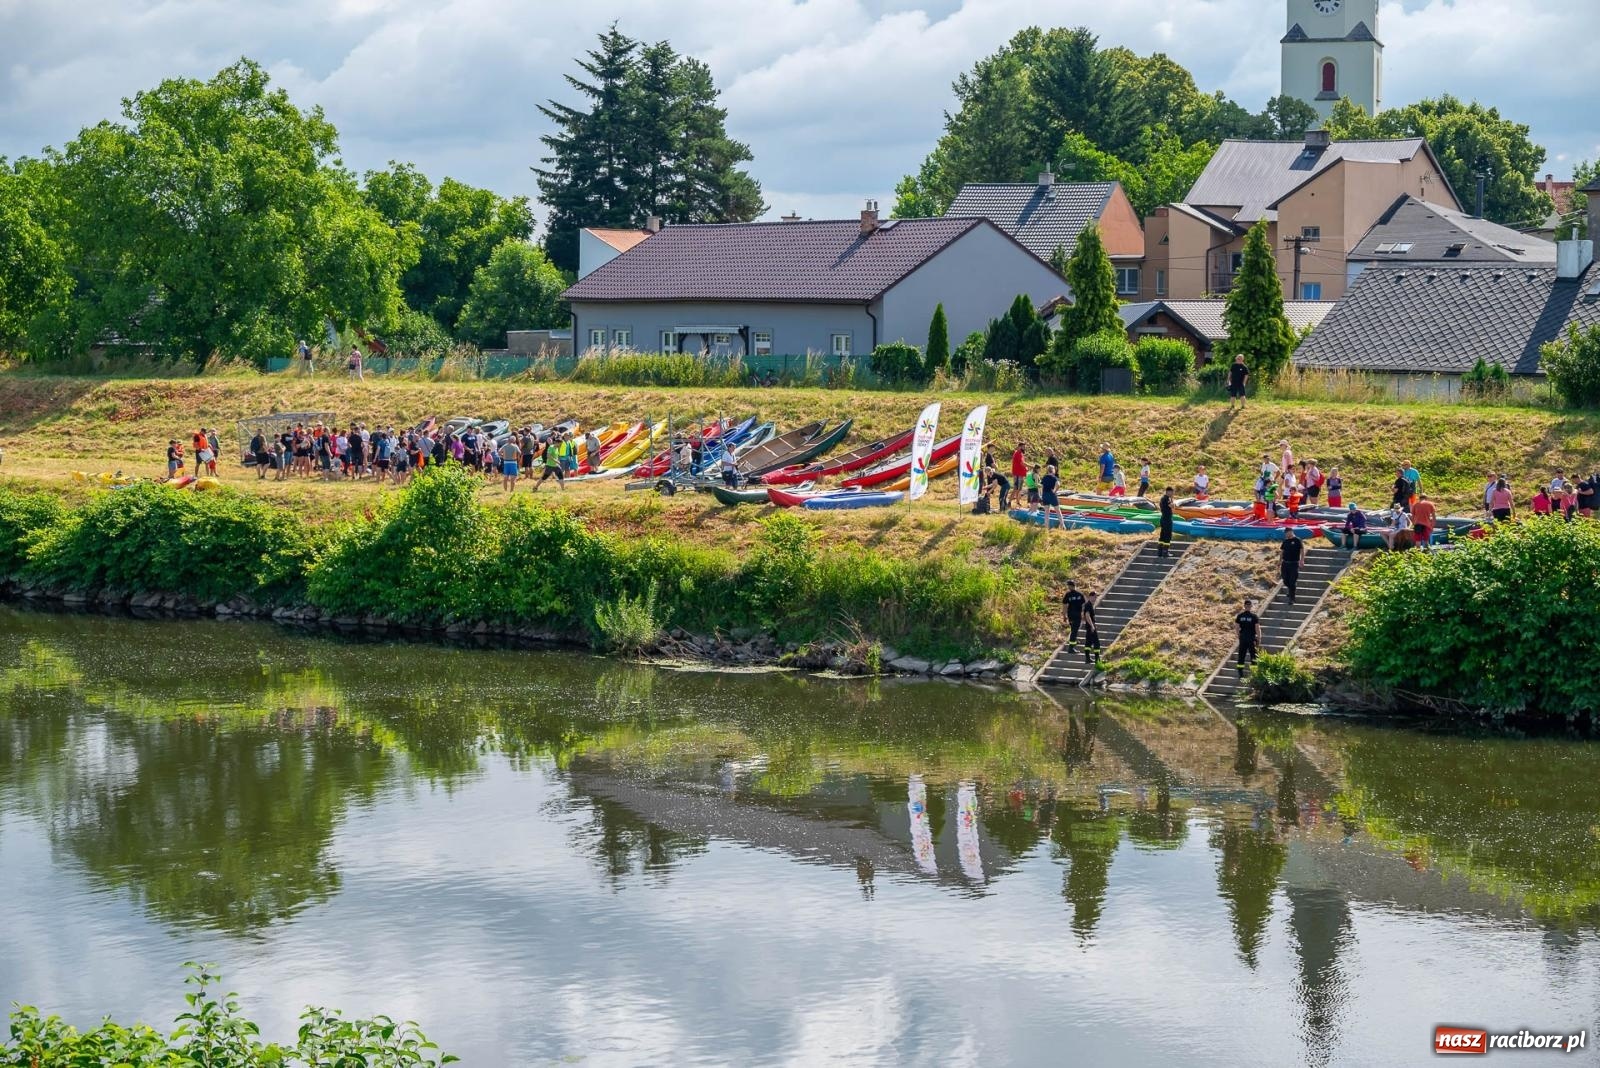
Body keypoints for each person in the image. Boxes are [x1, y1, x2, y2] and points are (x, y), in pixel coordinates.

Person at [1235, 599, 1261, 671]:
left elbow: (1237, 627)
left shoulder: (1240, 616)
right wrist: (1259, 638)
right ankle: (1254, 671)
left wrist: (1239, 636)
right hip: (1251, 638)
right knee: (1253, 655)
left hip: (1243, 638)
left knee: (1241, 655)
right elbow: (1257, 628)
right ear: (1251, 606)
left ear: (1244, 606)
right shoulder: (1254, 616)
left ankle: (1240, 672)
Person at [1280, 528, 1303, 603]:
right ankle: (1290, 590)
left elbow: (1302, 550)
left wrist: (1302, 560)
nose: (1286, 534)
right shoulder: (1285, 541)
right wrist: (1279, 561)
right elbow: (1282, 551)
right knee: (1285, 580)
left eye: (1287, 533)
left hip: (1294, 563)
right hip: (1285, 563)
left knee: (1292, 581)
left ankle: (1292, 599)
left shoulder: (1297, 540)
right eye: (1285, 533)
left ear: (1291, 532)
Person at [1062, 581, 1086, 651]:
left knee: (1073, 629)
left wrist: (1064, 615)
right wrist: (1084, 614)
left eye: (1068, 586)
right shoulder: (1080, 594)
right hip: (1077, 615)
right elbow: (1084, 605)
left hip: (1071, 615)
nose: (1068, 587)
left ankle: (1074, 640)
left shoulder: (1068, 595)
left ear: (1071, 586)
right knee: (1074, 630)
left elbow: (1064, 606)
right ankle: (1071, 647)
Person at [1040, 462, 1063, 529]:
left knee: (1046, 512)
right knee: (1058, 511)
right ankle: (1062, 525)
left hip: (1045, 495)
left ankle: (1046, 527)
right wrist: (1055, 491)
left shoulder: (1044, 477)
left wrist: (1041, 495)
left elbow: (1041, 486)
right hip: (1051, 494)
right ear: (1053, 470)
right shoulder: (1054, 477)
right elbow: (1058, 484)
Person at [1081, 593, 1101, 665]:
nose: (1095, 599)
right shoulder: (1088, 605)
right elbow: (1087, 615)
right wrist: (1092, 626)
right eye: (1094, 597)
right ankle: (1097, 659)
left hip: (1088, 627)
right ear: (1090, 597)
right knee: (1097, 643)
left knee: (1088, 643)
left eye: (1096, 597)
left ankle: (1087, 658)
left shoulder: (1088, 605)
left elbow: (1084, 616)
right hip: (1091, 627)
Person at [1158, 487, 1175, 558]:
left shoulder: (1162, 498)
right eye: (1172, 492)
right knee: (1168, 535)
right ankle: (1165, 552)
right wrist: (1173, 503)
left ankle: (1160, 551)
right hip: (1167, 519)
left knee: (1162, 535)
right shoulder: (1167, 498)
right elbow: (1172, 506)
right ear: (1169, 492)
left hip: (1163, 518)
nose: (1173, 494)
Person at [1011, 443, 1028, 509]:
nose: (1024, 448)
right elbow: (1022, 463)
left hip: (1020, 474)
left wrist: (1025, 468)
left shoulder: (1020, 454)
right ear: (1019, 447)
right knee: (1016, 489)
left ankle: (1017, 501)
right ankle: (1009, 502)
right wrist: (1031, 466)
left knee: (1018, 489)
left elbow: (1021, 464)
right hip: (1018, 474)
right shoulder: (1018, 453)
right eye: (1023, 447)